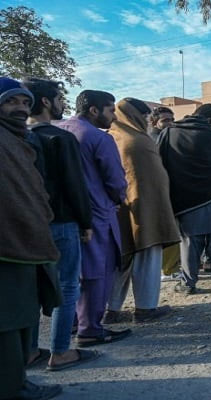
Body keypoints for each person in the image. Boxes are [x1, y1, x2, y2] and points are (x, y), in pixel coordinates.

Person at [24, 77, 101, 371]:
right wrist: (86, 221)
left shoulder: (19, 136)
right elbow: (74, 184)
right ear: (45, 101)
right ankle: (60, 352)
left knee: (31, 289)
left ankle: (30, 350)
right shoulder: (60, 138)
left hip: (30, 225)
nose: (61, 104)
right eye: (58, 98)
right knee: (68, 286)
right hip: (63, 222)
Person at [0, 77, 63, 399]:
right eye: (12, 102)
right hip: (7, 248)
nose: (20, 109)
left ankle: (19, 380)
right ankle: (12, 388)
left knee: (24, 317)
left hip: (26, 240)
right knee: (8, 322)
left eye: (25, 102)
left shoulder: (19, 140)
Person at [58, 90, 133, 347]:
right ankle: (90, 328)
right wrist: (120, 198)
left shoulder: (58, 128)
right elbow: (114, 179)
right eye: (111, 110)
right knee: (97, 271)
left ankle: (70, 321)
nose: (113, 116)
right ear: (94, 110)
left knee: (71, 271)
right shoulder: (99, 138)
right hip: (97, 212)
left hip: (63, 213)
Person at [104, 98, 181, 323]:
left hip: (120, 208)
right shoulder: (138, 140)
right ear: (134, 115)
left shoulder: (112, 136)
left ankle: (112, 310)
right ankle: (146, 308)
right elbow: (150, 180)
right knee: (149, 255)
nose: (147, 120)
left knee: (122, 260)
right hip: (145, 208)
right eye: (145, 116)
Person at [158, 104, 211, 294]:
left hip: (184, 198)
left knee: (189, 243)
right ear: (209, 120)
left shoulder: (169, 133)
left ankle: (188, 284)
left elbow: (160, 162)